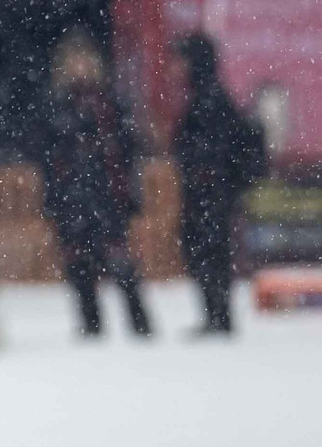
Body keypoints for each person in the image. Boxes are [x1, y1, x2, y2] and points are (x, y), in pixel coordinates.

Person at [39, 33, 151, 339]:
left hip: (107, 197)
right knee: (79, 267)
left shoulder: (110, 104)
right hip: (72, 197)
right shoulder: (57, 107)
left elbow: (127, 153)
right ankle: (91, 325)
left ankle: (140, 324)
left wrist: (130, 195)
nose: (81, 67)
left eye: (85, 60)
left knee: (122, 265)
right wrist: (52, 199)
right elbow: (49, 159)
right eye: (74, 61)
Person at [173, 33, 268, 336]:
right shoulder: (210, 95)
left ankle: (218, 316)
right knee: (209, 252)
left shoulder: (208, 98)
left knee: (208, 252)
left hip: (210, 192)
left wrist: (200, 169)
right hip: (213, 191)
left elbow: (212, 149)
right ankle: (216, 315)